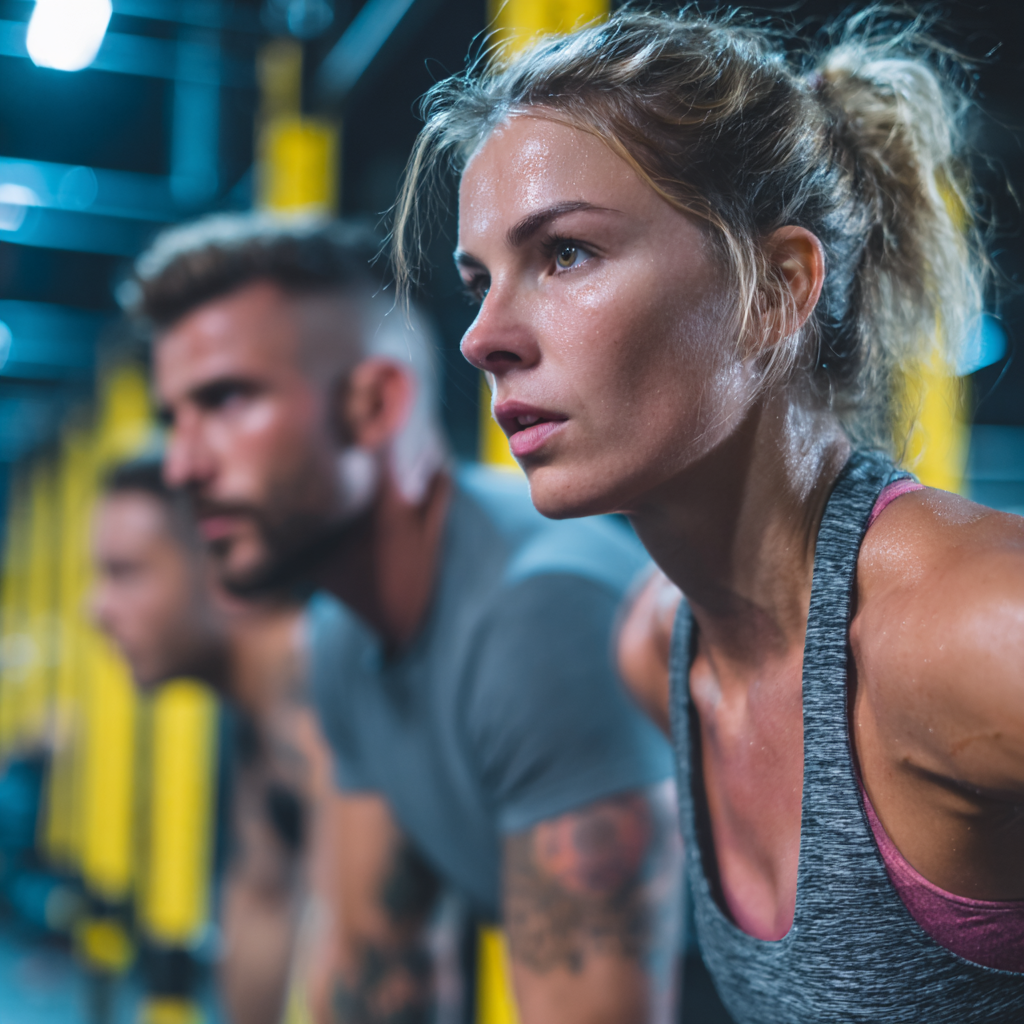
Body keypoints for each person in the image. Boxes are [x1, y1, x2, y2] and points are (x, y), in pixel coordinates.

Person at [393, 5, 1024, 1020]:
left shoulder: (968, 626)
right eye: (479, 280)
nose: (482, 336)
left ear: (774, 291)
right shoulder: (657, 651)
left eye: (563, 254)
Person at [127, 216, 682, 1024]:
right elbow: (376, 974)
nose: (183, 466)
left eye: (225, 400)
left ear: (375, 405)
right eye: (173, 418)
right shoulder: (345, 634)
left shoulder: (539, 618)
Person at [91, 459, 331, 1024]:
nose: (96, 610)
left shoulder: (320, 700)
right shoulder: (258, 709)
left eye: (124, 573)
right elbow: (263, 908)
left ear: (223, 569)